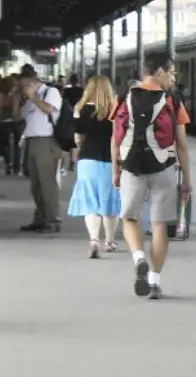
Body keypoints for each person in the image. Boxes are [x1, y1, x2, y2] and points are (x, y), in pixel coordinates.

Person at [112, 53, 193, 300]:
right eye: (171, 72)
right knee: (159, 225)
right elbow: (181, 144)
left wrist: (115, 170)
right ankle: (155, 281)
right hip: (164, 167)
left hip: (131, 167)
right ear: (159, 71)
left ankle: (138, 259)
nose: (173, 77)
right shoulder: (173, 101)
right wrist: (187, 179)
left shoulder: (123, 97)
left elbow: (115, 137)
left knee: (130, 219)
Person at [66, 75, 121, 258]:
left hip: (87, 160)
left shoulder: (80, 109)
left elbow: (78, 138)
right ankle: (110, 241)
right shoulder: (116, 111)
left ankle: (94, 240)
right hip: (110, 160)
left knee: (91, 202)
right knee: (110, 202)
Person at [18, 64, 64, 233]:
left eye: (25, 84)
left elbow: (47, 110)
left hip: (47, 141)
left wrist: (34, 97)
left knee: (47, 183)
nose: (24, 88)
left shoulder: (50, 92)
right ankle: (40, 218)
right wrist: (18, 98)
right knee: (35, 184)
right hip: (31, 140)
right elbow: (20, 117)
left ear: (33, 80)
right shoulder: (28, 99)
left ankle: (53, 220)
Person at [0, 76, 22, 176]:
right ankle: (16, 168)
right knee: (17, 145)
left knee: (5, 144)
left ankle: (9, 162)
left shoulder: (2, 95)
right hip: (17, 121)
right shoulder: (17, 94)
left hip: (4, 122)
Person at [62, 74, 84, 172]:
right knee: (74, 141)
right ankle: (73, 162)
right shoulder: (81, 90)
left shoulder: (66, 91)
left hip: (67, 117)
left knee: (68, 140)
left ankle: (65, 163)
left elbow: (63, 102)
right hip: (78, 116)